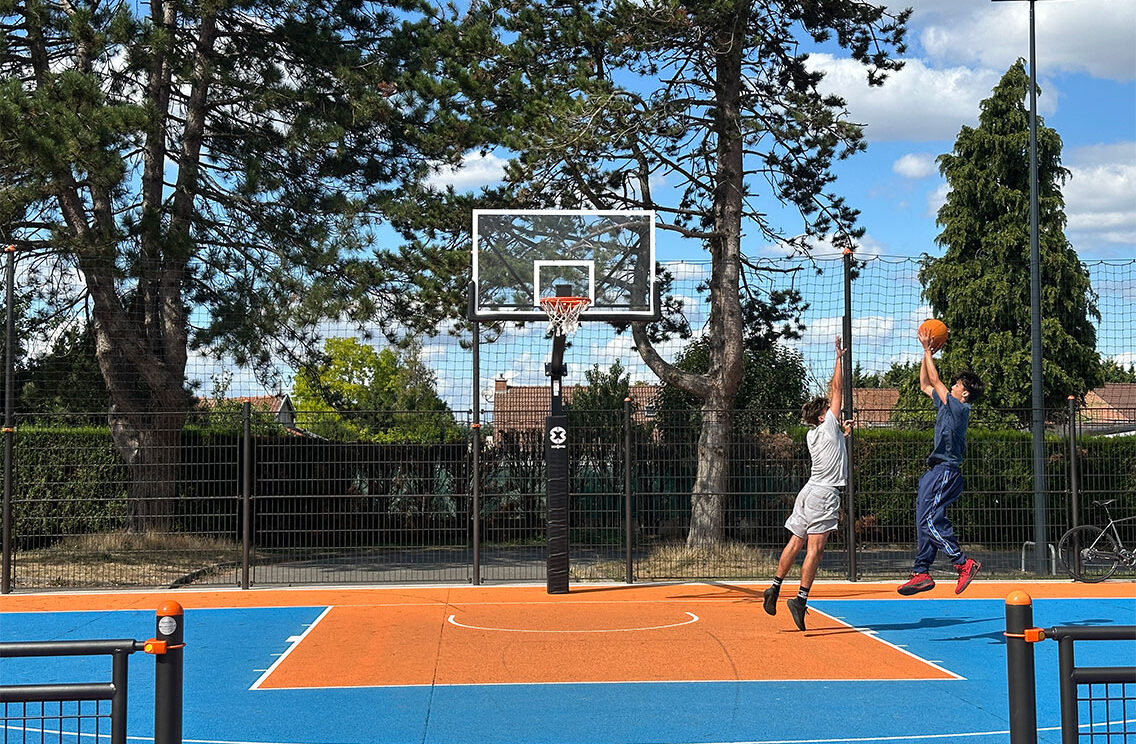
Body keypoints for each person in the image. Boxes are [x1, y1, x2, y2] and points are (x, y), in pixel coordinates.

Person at [764, 335, 849, 631]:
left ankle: (774, 587)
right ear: (823, 415)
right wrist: (838, 358)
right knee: (815, 550)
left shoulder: (815, 434)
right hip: (824, 494)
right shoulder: (828, 424)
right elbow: (837, 389)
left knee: (795, 541)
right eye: (829, 409)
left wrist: (842, 434)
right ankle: (800, 599)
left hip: (808, 491)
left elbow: (834, 444)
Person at [896, 326, 986, 596]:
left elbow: (935, 382)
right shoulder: (946, 406)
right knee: (924, 519)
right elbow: (925, 384)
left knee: (929, 521)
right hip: (935, 471)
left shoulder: (960, 408)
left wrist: (927, 350)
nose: (953, 385)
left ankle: (963, 563)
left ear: (965, 393)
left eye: (958, 384)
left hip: (946, 471)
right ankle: (921, 572)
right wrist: (925, 356)